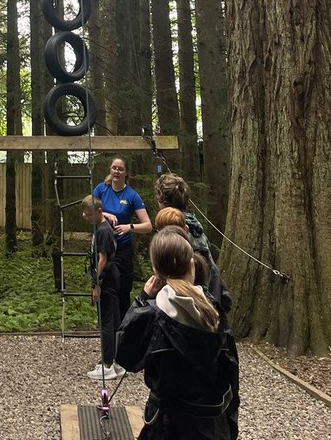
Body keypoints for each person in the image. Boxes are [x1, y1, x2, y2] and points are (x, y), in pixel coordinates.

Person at [116, 230, 239, 439]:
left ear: (156, 270)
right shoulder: (212, 311)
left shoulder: (152, 315)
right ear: (192, 264)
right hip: (211, 424)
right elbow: (230, 371)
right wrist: (229, 424)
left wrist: (143, 298)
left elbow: (125, 355)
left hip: (167, 426)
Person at [154, 174, 230, 313]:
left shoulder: (174, 229)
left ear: (163, 202)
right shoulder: (194, 222)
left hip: (193, 299)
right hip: (209, 292)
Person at [93, 156, 152, 316]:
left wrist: (129, 227)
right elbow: (87, 212)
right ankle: (105, 331)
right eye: (114, 168)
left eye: (120, 169)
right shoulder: (101, 190)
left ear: (126, 173)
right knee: (102, 289)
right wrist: (104, 214)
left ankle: (123, 330)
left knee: (123, 290)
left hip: (123, 250)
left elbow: (148, 225)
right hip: (103, 249)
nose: (117, 171)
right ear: (110, 170)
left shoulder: (132, 195)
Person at [82, 194, 123, 382]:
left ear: (99, 211)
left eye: (89, 214)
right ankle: (113, 360)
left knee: (106, 321)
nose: (86, 217)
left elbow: (102, 259)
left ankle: (108, 365)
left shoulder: (103, 231)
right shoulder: (102, 226)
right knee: (112, 319)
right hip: (111, 277)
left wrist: (96, 284)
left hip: (107, 279)